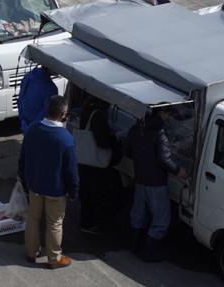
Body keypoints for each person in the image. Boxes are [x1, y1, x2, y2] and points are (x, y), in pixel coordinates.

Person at [19, 95, 79, 269]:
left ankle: (31, 253)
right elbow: (71, 172)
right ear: (63, 114)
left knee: (33, 218)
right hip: (55, 190)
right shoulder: (66, 139)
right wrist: (74, 191)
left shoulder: (32, 129)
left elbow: (22, 158)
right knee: (54, 223)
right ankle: (54, 258)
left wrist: (23, 179)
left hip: (34, 185)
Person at [125, 108, 187, 262]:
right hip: (157, 182)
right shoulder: (160, 133)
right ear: (163, 113)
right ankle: (148, 252)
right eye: (168, 114)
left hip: (140, 178)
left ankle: (134, 245)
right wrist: (178, 170)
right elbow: (164, 159)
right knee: (161, 220)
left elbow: (127, 151)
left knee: (138, 214)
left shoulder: (136, 128)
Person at [77, 95, 120, 236]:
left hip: (84, 159)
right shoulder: (98, 115)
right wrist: (114, 140)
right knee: (96, 193)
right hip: (94, 163)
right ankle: (91, 223)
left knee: (86, 192)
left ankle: (85, 221)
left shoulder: (87, 109)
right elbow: (102, 141)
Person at [17, 66, 59, 133]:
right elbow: (44, 113)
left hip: (25, 123)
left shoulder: (28, 76)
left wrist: (23, 120)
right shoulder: (51, 88)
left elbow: (21, 98)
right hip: (37, 128)